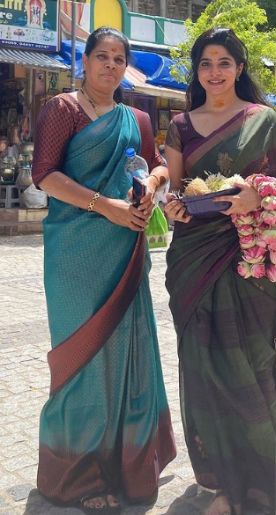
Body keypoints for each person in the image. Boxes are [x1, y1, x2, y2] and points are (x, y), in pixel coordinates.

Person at [164, 28, 276, 515]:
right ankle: (226, 487)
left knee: (252, 370)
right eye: (205, 63)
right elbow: (179, 193)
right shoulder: (181, 125)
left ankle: (269, 487)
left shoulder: (264, 121)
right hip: (193, 263)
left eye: (224, 62)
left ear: (239, 69)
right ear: (197, 72)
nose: (214, 72)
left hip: (249, 264)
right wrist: (173, 208)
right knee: (204, 372)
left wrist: (261, 193)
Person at [32, 27, 176, 513]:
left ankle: (129, 467)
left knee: (127, 352)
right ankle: (77, 474)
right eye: (102, 57)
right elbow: (45, 175)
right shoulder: (62, 110)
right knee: (83, 359)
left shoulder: (136, 116)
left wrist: (154, 183)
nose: (110, 66)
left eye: (119, 58)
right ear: (85, 62)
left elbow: (157, 164)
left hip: (126, 247)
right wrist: (105, 206)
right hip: (76, 252)